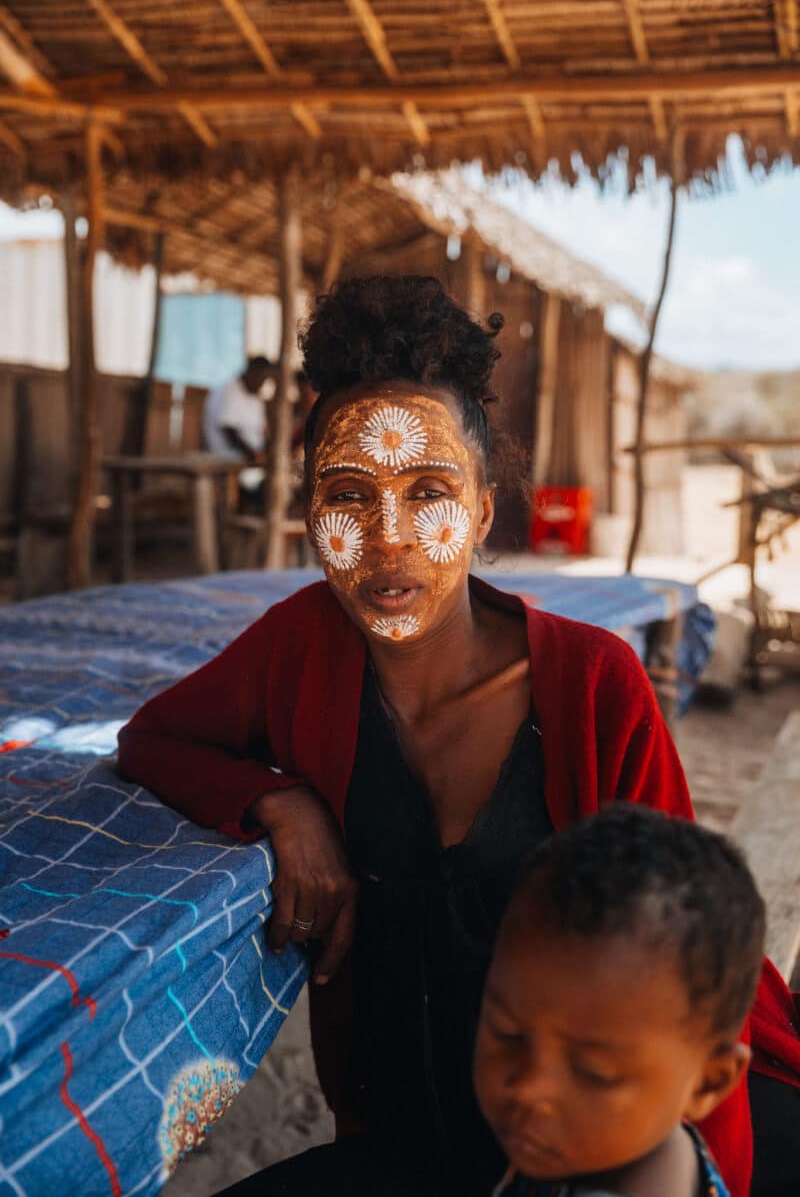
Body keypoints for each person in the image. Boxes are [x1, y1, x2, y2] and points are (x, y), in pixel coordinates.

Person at [116, 276, 800, 1197]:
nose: (388, 538)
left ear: (481, 511)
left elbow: (686, 970)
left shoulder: (594, 683)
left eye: (429, 492)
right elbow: (153, 738)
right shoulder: (299, 646)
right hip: (416, 1135)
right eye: (348, 496)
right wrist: (279, 801)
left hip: (612, 1137)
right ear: (310, 515)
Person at [474, 804, 765, 1197]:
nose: (528, 1088)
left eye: (595, 1073)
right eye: (507, 1034)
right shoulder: (620, 1148)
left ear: (708, 1082)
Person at [203, 355, 277, 507]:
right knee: (262, 488)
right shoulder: (229, 390)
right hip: (227, 454)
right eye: (262, 379)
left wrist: (265, 452)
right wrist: (254, 455)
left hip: (249, 456)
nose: (262, 384)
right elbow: (229, 431)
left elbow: (261, 431)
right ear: (252, 372)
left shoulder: (255, 396)